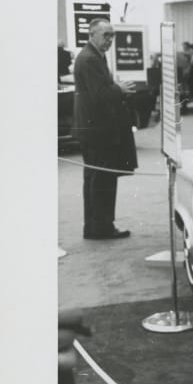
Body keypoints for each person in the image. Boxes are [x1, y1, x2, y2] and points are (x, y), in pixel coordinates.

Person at [72, 19, 138, 240]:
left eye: (112, 36)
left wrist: (114, 88)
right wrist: (119, 89)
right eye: (106, 35)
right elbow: (100, 95)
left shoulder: (93, 56)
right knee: (102, 180)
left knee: (95, 179)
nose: (110, 40)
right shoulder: (90, 59)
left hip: (93, 129)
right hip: (97, 131)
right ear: (92, 34)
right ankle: (102, 228)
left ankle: (94, 227)